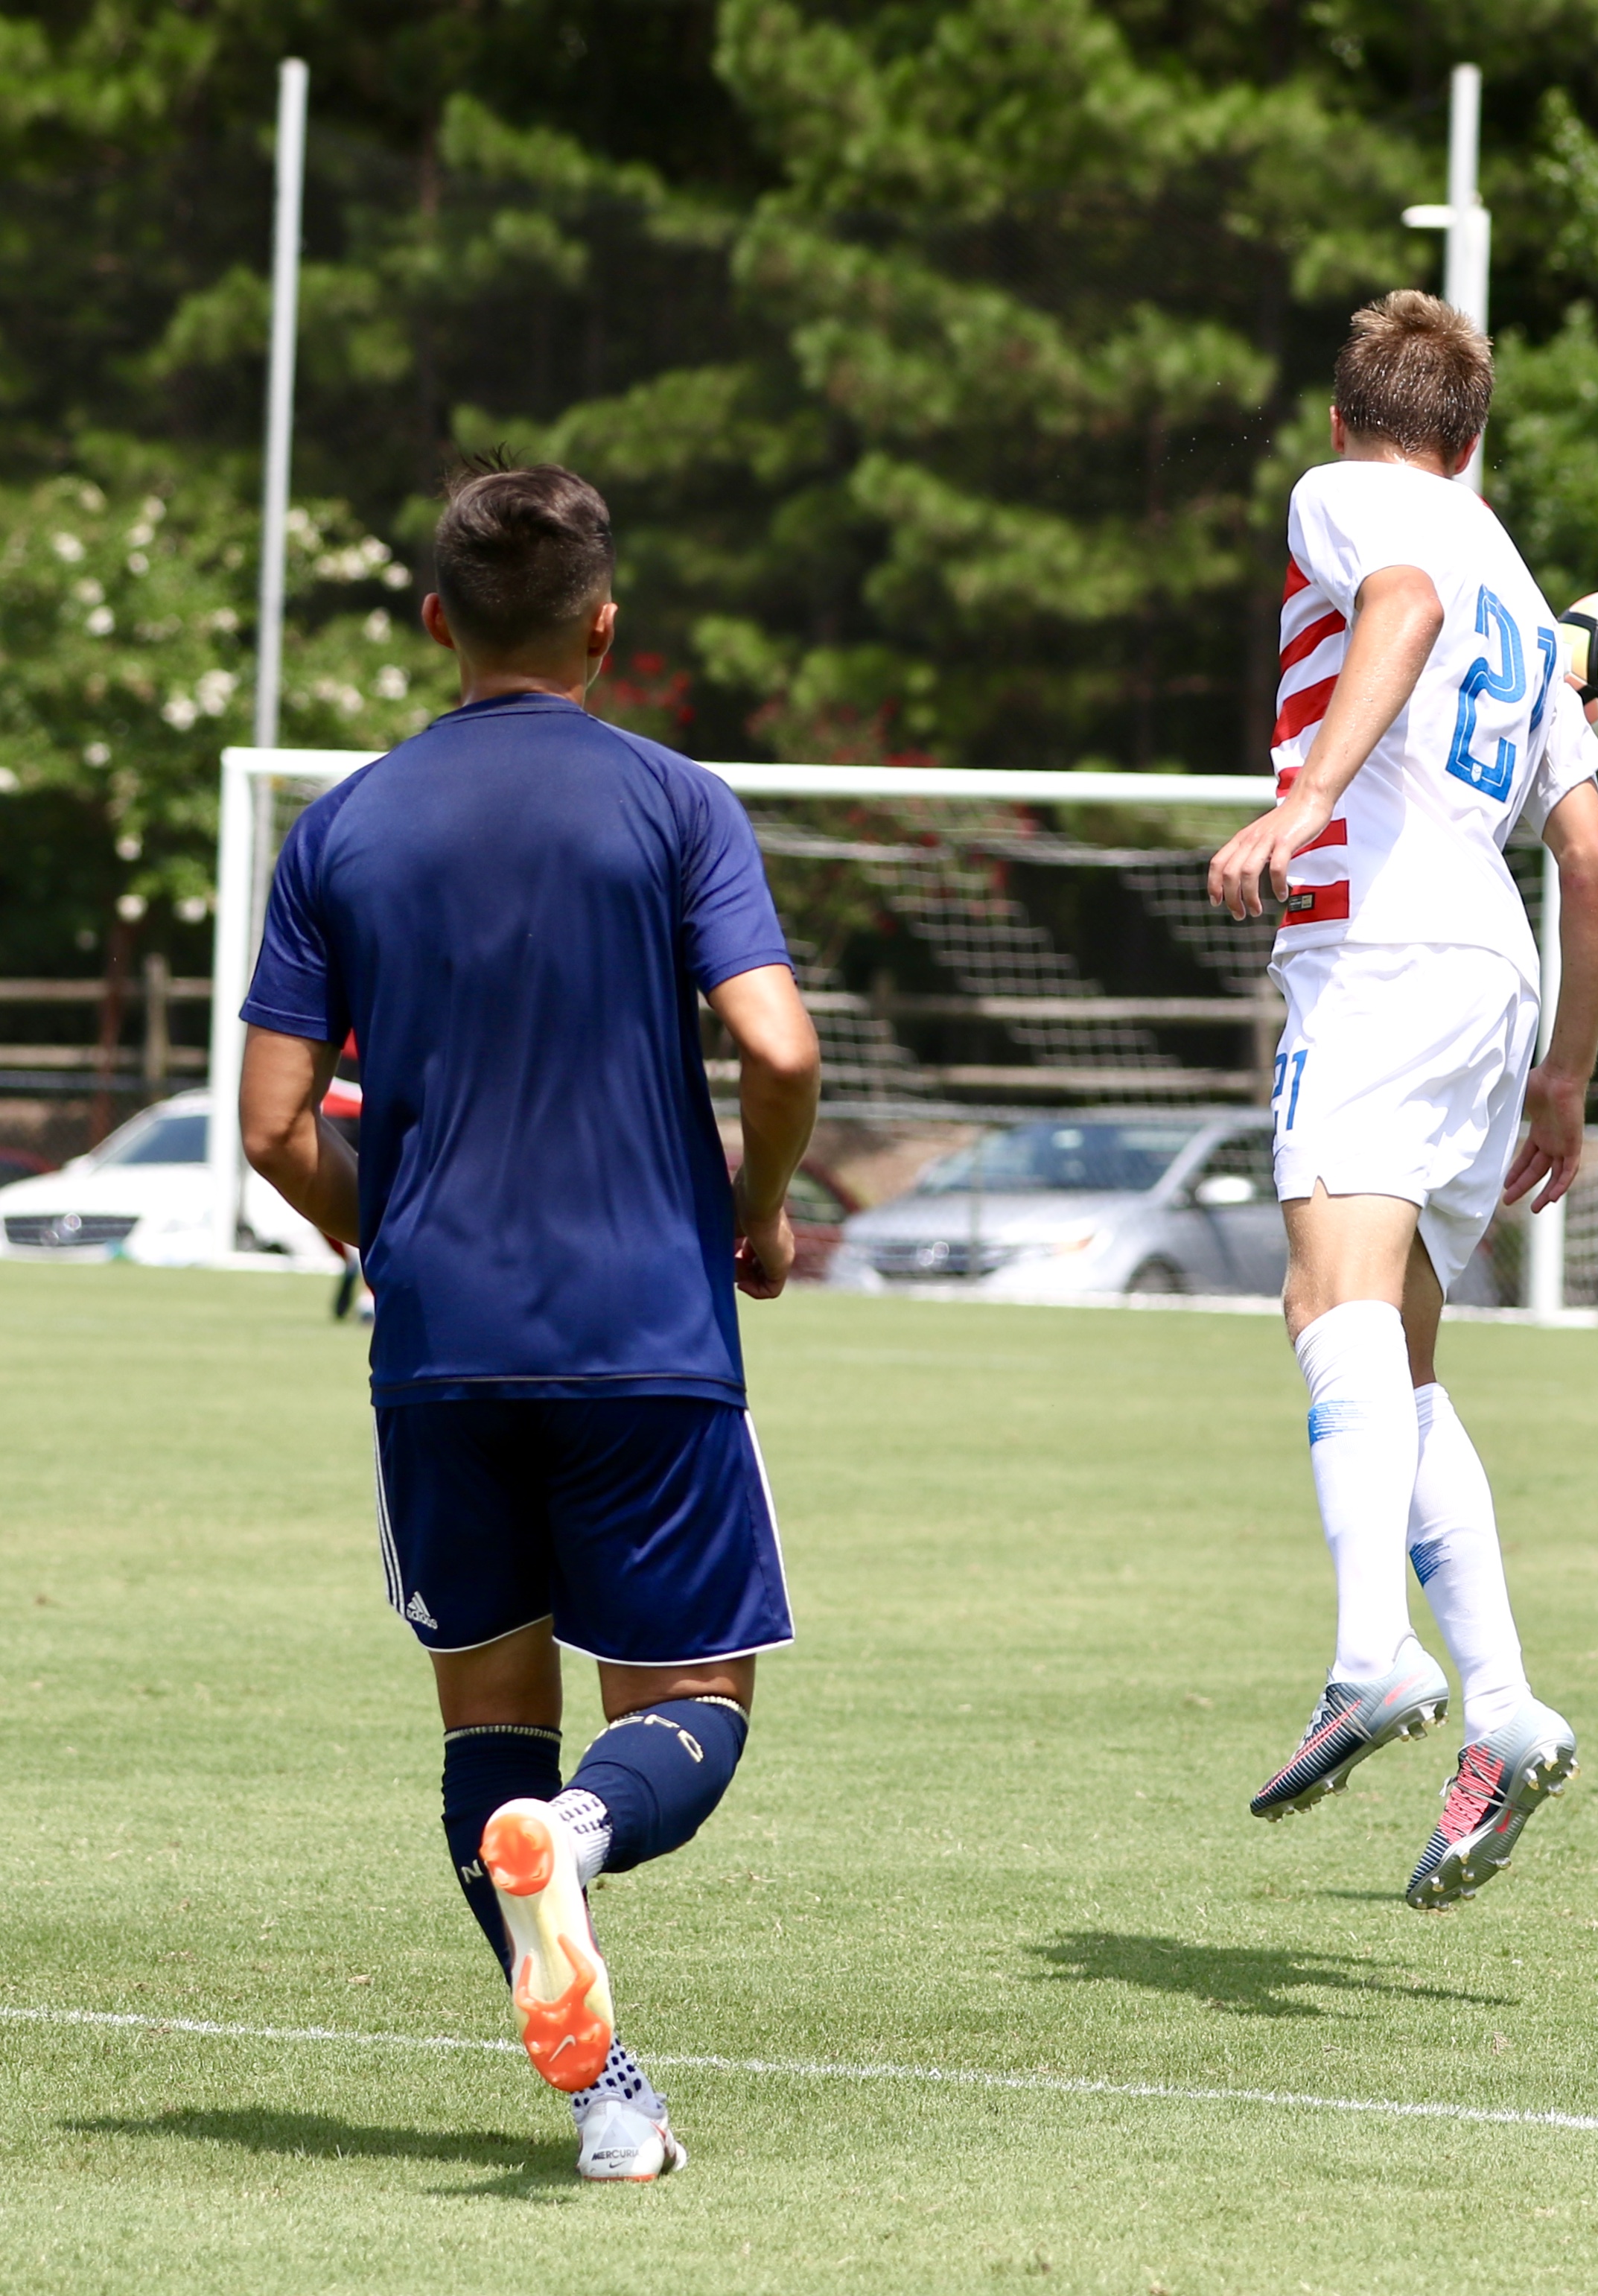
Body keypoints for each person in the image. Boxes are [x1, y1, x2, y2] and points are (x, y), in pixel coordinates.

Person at [237, 459, 822, 2181]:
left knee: (484, 1724)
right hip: (645, 1330)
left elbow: (274, 1128)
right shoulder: (675, 804)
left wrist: (396, 1236)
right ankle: (576, 1837)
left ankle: (607, 2104)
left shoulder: (340, 826)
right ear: (604, 629)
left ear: (436, 624)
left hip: (437, 1352)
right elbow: (779, 1050)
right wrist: (761, 1213)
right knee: (689, 1714)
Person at [1209, 289, 1598, 1907]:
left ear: (1348, 427)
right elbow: (1589, 857)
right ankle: (1505, 1703)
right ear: (1477, 436)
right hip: (1492, 969)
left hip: (1376, 946)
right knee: (1404, 1345)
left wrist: (1306, 798)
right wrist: (1565, 1077)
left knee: (1326, 1300)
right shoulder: (1513, 572)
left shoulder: (1366, 501)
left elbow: (1385, 597)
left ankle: (1368, 1654)